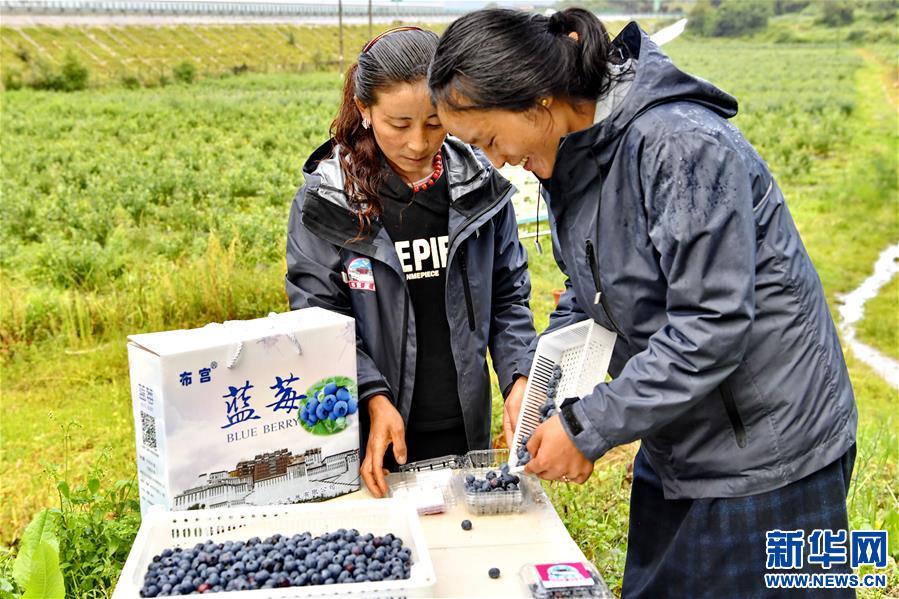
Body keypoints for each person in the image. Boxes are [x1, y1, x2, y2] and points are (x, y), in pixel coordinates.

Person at [429, 9, 857, 597]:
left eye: (490, 140)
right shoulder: (576, 158)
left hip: (767, 456)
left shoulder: (681, 146)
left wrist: (587, 428)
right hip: (682, 438)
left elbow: (711, 326)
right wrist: (537, 378)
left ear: (539, 101)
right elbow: (591, 291)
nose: (497, 160)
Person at [285, 27, 535, 498]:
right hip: (372, 431)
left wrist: (521, 376)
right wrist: (372, 397)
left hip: (463, 426)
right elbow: (319, 319)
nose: (418, 143)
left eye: (436, 122)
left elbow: (508, 297)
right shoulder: (328, 202)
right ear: (365, 110)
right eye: (399, 125)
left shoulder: (480, 189)